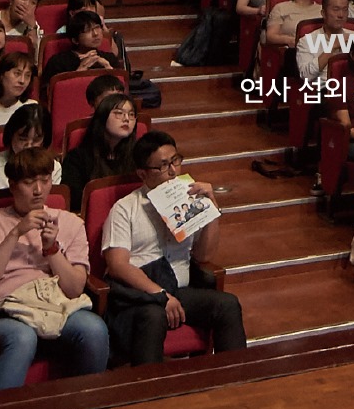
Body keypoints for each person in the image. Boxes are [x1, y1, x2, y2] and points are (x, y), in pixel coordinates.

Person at [0, 149, 112, 389]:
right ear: (12, 185)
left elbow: (75, 289)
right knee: (22, 337)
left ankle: (82, 405)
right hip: (6, 313)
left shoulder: (70, 223)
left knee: (94, 329)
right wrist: (15, 234)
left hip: (56, 308)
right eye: (28, 182)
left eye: (44, 180)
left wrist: (51, 249)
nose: (38, 190)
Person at [99, 131, 246, 359]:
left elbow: (203, 256)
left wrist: (211, 210)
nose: (173, 171)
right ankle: (149, 382)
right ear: (143, 173)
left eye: (175, 161)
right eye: (163, 166)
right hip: (141, 295)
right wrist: (160, 294)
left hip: (179, 289)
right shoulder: (125, 208)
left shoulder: (189, 200)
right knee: (154, 315)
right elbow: (117, 265)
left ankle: (235, 375)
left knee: (227, 304)